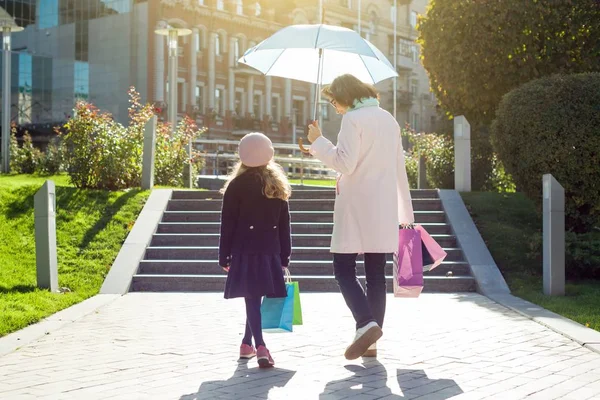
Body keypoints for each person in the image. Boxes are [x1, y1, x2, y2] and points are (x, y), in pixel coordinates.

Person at [307, 74, 414, 360]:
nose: (335, 108)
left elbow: (345, 162)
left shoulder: (353, 119)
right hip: (383, 206)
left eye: (334, 101)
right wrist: (406, 211)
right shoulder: (388, 119)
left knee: (342, 268)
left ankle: (365, 324)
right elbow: (398, 168)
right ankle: (371, 342)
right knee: (376, 275)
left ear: (346, 96)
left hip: (355, 205)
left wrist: (319, 143)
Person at [219, 132, 292, 368]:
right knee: (255, 295)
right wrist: (285, 256)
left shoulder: (236, 186)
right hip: (270, 250)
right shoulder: (277, 186)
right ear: (269, 154)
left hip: (243, 249)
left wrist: (224, 255)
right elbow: (284, 225)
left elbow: (227, 223)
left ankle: (251, 344)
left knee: (252, 296)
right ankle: (256, 345)